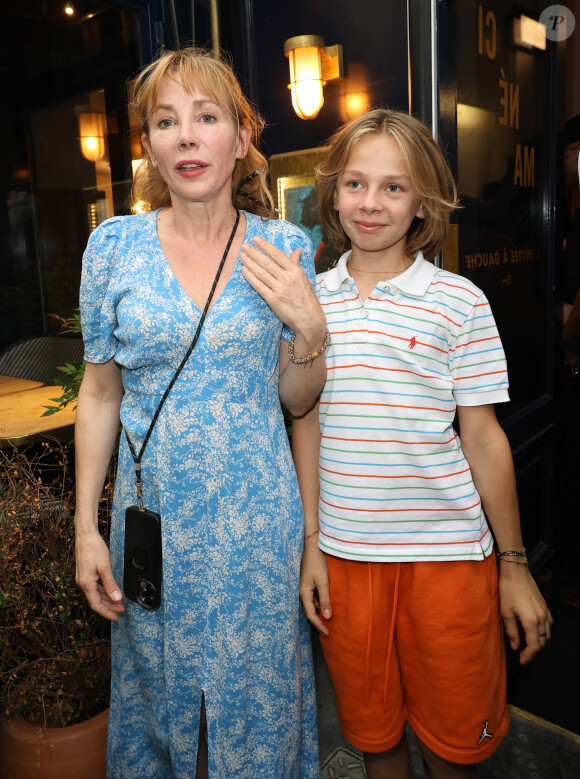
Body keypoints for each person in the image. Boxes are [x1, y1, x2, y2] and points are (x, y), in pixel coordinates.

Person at [74, 47, 327, 779]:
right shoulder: (113, 248)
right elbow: (99, 391)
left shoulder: (283, 247)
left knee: (260, 699)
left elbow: (298, 399)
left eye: (206, 117)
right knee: (159, 700)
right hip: (153, 522)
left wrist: (309, 335)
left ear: (241, 137)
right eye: (166, 121)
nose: (186, 137)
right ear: (148, 142)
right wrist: (86, 526)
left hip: (258, 525)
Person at [292, 109, 553, 779]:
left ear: (424, 201)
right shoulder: (309, 304)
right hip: (348, 561)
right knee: (376, 741)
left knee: (453, 747)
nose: (370, 204)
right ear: (332, 192)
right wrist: (312, 544)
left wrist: (514, 563)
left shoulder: (457, 301)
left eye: (393, 187)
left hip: (449, 562)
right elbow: (306, 422)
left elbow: (484, 438)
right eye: (355, 184)